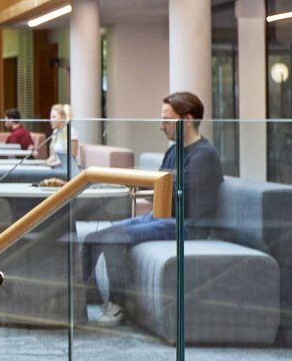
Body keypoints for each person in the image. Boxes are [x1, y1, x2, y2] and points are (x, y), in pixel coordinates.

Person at [80, 91, 223, 327]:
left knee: (113, 238)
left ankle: (118, 305)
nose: (161, 126)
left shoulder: (204, 156)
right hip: (163, 217)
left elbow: (180, 198)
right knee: (93, 238)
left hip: (187, 226)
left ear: (187, 120)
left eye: (167, 120)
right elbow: (161, 188)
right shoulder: (173, 151)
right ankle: (82, 298)